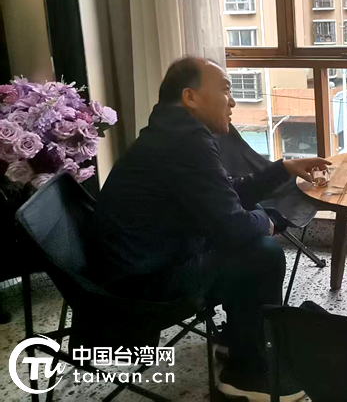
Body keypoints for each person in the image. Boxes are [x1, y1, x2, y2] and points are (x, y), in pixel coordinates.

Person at [90, 57, 329, 401]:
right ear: (190, 97)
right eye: (225, 90)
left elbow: (226, 192)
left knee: (252, 234)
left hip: (142, 265)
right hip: (142, 286)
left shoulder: (172, 132)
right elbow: (233, 227)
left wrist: (284, 168)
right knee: (262, 255)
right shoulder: (184, 141)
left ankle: (238, 340)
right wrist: (268, 222)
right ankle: (247, 374)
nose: (232, 102)